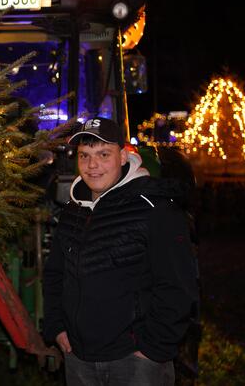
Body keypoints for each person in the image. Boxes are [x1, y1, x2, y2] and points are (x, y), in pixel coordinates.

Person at [43, 117, 198, 385]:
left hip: (135, 363)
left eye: (104, 154)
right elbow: (56, 273)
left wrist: (152, 349)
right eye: (84, 155)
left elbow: (178, 285)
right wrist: (57, 327)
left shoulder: (154, 209)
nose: (92, 165)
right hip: (79, 358)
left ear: (124, 156)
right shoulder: (73, 210)